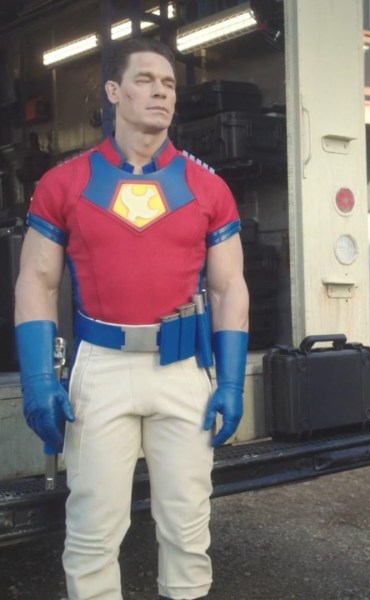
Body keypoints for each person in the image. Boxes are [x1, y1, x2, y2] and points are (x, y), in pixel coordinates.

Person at [14, 37, 249, 600]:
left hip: (183, 367)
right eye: (146, 79)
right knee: (93, 533)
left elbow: (228, 286)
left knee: (188, 529)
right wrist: (40, 379)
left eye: (169, 84)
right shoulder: (62, 184)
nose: (161, 91)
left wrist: (233, 380)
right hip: (102, 367)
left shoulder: (208, 187)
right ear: (114, 93)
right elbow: (37, 282)